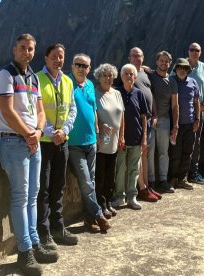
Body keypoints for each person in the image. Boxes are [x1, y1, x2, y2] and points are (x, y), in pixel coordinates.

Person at [0, 34, 58, 275]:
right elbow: (7, 112)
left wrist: (37, 131)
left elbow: (40, 111)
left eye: (30, 49)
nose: (26, 52)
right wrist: (29, 134)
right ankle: (24, 251)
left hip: (31, 141)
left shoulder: (32, 78)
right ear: (14, 49)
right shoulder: (5, 75)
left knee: (32, 195)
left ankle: (34, 242)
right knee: (20, 197)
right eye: (22, 48)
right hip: (12, 141)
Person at [36, 43, 78, 250]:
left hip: (62, 142)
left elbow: (72, 110)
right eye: (54, 56)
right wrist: (52, 133)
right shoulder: (36, 79)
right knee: (42, 190)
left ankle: (58, 228)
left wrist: (64, 132)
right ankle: (44, 234)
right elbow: (34, 111)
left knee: (58, 187)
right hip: (44, 143)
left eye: (61, 56)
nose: (58, 60)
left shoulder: (68, 81)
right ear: (46, 58)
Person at [67, 53, 111, 233]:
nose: (81, 68)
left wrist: (98, 134)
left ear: (89, 69)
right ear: (72, 66)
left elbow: (93, 112)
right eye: (78, 64)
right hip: (74, 143)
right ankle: (99, 214)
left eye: (84, 66)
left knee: (90, 181)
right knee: (86, 181)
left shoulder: (91, 85)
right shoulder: (67, 83)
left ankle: (88, 218)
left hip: (91, 141)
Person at [171, 43, 204, 184]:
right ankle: (175, 177)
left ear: (200, 53)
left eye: (197, 50)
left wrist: (203, 106)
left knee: (195, 145)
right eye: (192, 50)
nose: (194, 52)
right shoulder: (177, 70)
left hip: (195, 114)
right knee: (177, 149)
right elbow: (167, 81)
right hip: (177, 118)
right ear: (188, 51)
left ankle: (192, 174)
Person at [112, 64, 148, 210]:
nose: (128, 76)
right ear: (121, 77)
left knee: (134, 169)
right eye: (126, 74)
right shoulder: (116, 93)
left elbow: (144, 117)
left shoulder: (139, 94)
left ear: (135, 76)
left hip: (136, 137)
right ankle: (120, 197)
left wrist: (144, 137)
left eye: (131, 74)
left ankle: (132, 197)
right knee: (120, 169)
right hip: (120, 139)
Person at [127, 47, 160, 202]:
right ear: (129, 58)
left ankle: (147, 185)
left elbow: (151, 94)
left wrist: (155, 114)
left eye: (139, 56)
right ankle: (141, 188)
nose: (137, 58)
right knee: (139, 154)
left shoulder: (146, 74)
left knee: (145, 153)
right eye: (134, 56)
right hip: (136, 119)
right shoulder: (127, 73)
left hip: (147, 118)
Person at [94, 63, 125, 218]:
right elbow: (93, 115)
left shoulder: (117, 94)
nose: (107, 78)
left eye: (110, 75)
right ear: (98, 77)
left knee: (111, 175)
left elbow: (122, 116)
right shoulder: (94, 94)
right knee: (100, 175)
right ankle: (101, 204)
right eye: (104, 75)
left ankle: (108, 202)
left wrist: (122, 136)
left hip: (114, 140)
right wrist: (100, 126)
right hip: (101, 141)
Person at [147, 51, 179, 193]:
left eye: (166, 61)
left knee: (163, 152)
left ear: (170, 63)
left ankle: (163, 180)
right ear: (156, 62)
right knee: (150, 151)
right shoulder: (150, 76)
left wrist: (176, 125)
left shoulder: (172, 81)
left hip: (165, 120)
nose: (164, 63)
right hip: (149, 120)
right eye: (161, 60)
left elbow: (175, 105)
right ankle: (151, 182)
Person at [169, 58, 200, 190]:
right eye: (180, 68)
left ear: (188, 70)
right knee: (175, 153)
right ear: (175, 69)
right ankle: (171, 179)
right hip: (175, 124)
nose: (182, 70)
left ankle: (182, 179)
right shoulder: (171, 81)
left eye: (185, 68)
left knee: (187, 152)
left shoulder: (193, 82)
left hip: (190, 123)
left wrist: (197, 119)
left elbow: (196, 102)